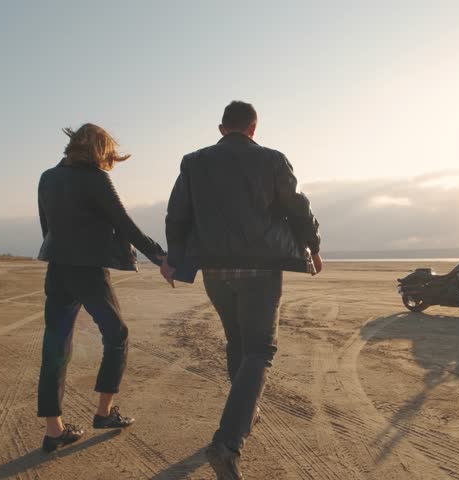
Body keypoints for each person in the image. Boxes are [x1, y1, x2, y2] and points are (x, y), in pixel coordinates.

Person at [163, 101, 323, 479]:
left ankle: (244, 414)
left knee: (237, 342)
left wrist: (173, 256)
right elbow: (297, 207)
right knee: (261, 349)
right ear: (253, 127)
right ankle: (227, 442)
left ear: (222, 129)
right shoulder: (272, 159)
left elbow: (177, 213)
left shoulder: (194, 161)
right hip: (261, 268)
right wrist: (313, 247)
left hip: (215, 269)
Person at [36, 123, 167, 453]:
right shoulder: (96, 179)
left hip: (58, 270)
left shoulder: (47, 178)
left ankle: (54, 431)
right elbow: (124, 223)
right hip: (89, 273)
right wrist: (160, 255)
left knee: (55, 347)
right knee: (117, 335)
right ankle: (104, 412)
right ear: (99, 150)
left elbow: (46, 227)